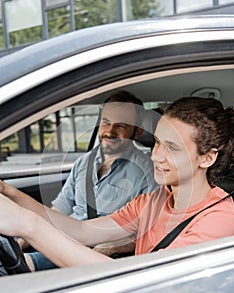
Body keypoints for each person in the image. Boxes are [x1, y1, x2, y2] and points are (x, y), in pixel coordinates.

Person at [0, 96, 233, 271]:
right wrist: (10, 193)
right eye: (158, 143)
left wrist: (28, 226)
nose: (156, 155)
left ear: (207, 157)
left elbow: (149, 279)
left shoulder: (219, 218)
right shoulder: (153, 201)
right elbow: (82, 231)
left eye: (172, 148)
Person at [50, 90, 156, 257]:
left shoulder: (147, 172)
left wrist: (110, 248)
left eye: (121, 126)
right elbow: (59, 210)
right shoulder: (84, 162)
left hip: (95, 254)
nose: (110, 132)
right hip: (64, 240)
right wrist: (25, 238)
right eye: (106, 122)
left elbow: (148, 230)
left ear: (137, 132)